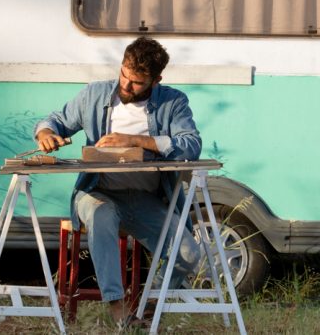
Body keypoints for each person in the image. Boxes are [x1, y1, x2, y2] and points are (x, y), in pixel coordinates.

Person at [33, 36, 202, 324]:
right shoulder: (95, 94)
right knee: (101, 215)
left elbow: (191, 145)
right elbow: (55, 121)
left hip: (144, 199)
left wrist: (136, 140)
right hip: (98, 191)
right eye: (124, 74)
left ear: (156, 80)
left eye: (137, 83)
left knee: (188, 253)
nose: (126, 85)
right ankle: (118, 308)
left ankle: (150, 304)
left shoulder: (173, 102)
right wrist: (46, 134)